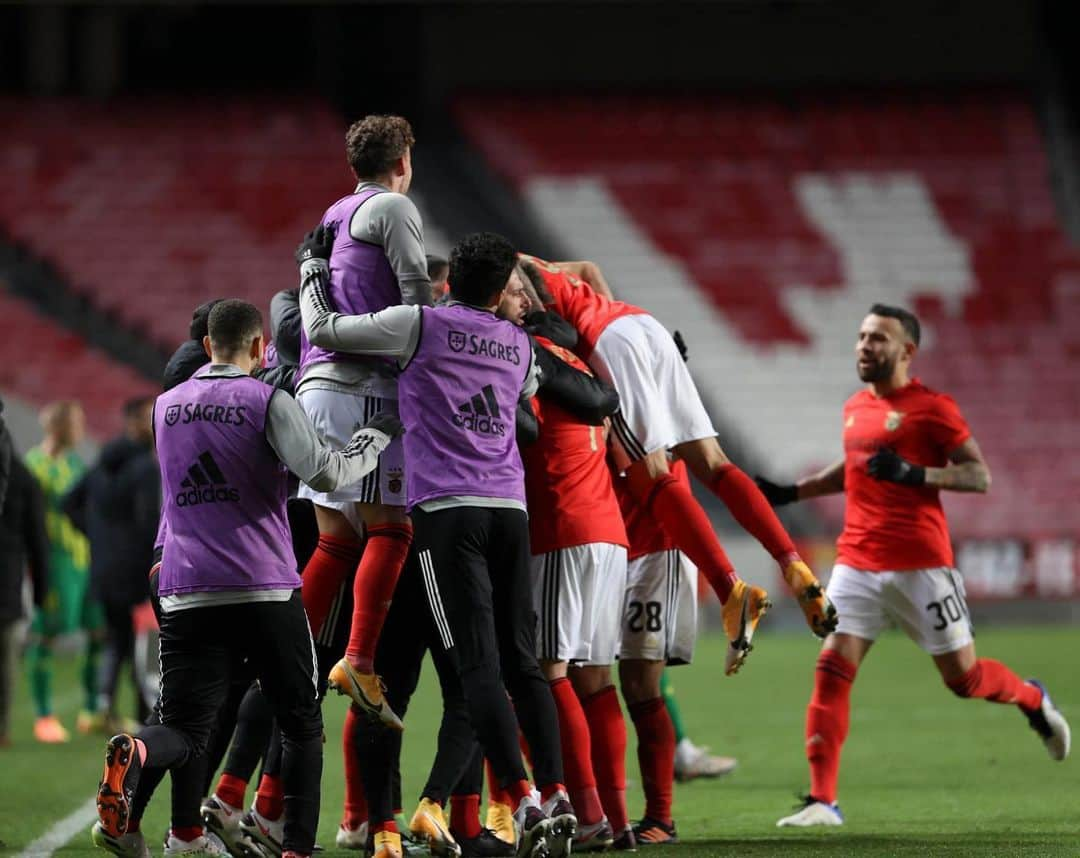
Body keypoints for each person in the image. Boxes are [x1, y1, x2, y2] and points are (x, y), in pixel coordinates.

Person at [300, 231, 576, 858]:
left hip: (447, 516)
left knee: (475, 664)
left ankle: (523, 797)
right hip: (510, 508)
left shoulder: (419, 324)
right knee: (521, 663)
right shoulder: (517, 344)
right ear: (502, 286)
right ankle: (555, 792)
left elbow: (327, 331)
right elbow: (530, 393)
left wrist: (314, 267)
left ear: (449, 281)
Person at [91, 299, 400, 858]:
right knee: (301, 720)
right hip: (262, 584)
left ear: (207, 346)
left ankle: (140, 756)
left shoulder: (164, 407)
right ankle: (296, 850)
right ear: (260, 348)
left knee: (185, 728)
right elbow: (326, 473)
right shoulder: (266, 399)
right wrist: (372, 440)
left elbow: (209, 483)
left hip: (186, 585)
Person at [754, 303, 1071, 827]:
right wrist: (792, 491)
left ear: (906, 351)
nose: (864, 346)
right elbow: (853, 465)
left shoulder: (932, 408)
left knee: (964, 680)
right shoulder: (855, 406)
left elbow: (978, 475)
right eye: (860, 336)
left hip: (921, 564)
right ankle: (822, 801)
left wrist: (915, 474)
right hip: (856, 559)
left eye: (877, 338)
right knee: (832, 670)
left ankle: (1033, 698)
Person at [520, 255, 836, 674]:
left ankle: (730, 591)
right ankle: (792, 563)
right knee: (714, 463)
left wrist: (604, 359)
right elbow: (592, 270)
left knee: (650, 477)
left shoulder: (491, 277)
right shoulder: (531, 261)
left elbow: (539, 325)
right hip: (640, 325)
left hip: (609, 345)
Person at [295, 114, 432, 728]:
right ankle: (357, 658)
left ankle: (288, 653)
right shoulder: (396, 211)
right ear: (402, 159)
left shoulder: (330, 215)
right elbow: (416, 304)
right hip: (367, 387)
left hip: (316, 384)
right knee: (392, 530)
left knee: (335, 538)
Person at [63, 397, 158, 730]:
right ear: (131, 422)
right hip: (136, 570)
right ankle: (146, 711)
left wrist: (96, 536)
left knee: (117, 640)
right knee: (143, 644)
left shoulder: (101, 464)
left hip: (103, 568)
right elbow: (149, 523)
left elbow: (68, 502)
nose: (153, 422)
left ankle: (103, 704)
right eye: (147, 417)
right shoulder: (146, 468)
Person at [24, 399, 102, 741]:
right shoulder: (34, 465)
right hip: (54, 560)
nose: (81, 430)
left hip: (84, 556)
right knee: (47, 635)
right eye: (76, 423)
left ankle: (91, 709)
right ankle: (43, 716)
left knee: (99, 631)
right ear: (59, 427)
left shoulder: (75, 464)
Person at [0, 453, 49, 747]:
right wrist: (42, 592)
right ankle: (1, 727)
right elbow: (37, 539)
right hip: (7, 586)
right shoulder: (22, 475)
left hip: (8, 584)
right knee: (5, 661)